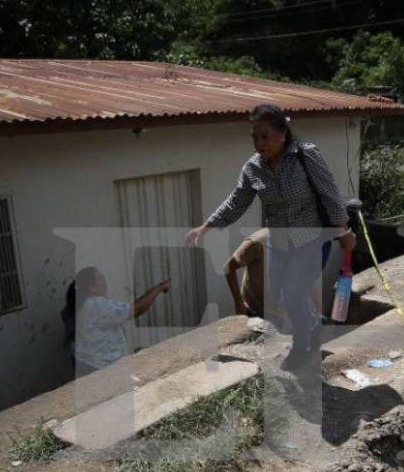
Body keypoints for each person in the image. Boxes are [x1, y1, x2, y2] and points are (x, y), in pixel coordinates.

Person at [185, 103, 355, 370]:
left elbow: (330, 194)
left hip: (310, 240)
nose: (259, 143)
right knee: (279, 293)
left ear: (282, 134)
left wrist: (343, 231)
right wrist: (206, 226)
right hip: (279, 242)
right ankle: (313, 324)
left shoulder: (305, 155)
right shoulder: (253, 168)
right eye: (255, 137)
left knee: (292, 294)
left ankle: (301, 347)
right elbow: (236, 202)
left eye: (265, 136)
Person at [67, 266, 170, 374]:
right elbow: (138, 308)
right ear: (92, 288)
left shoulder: (84, 305)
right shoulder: (97, 305)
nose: (105, 281)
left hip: (91, 365)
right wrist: (159, 288)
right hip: (100, 369)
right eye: (100, 278)